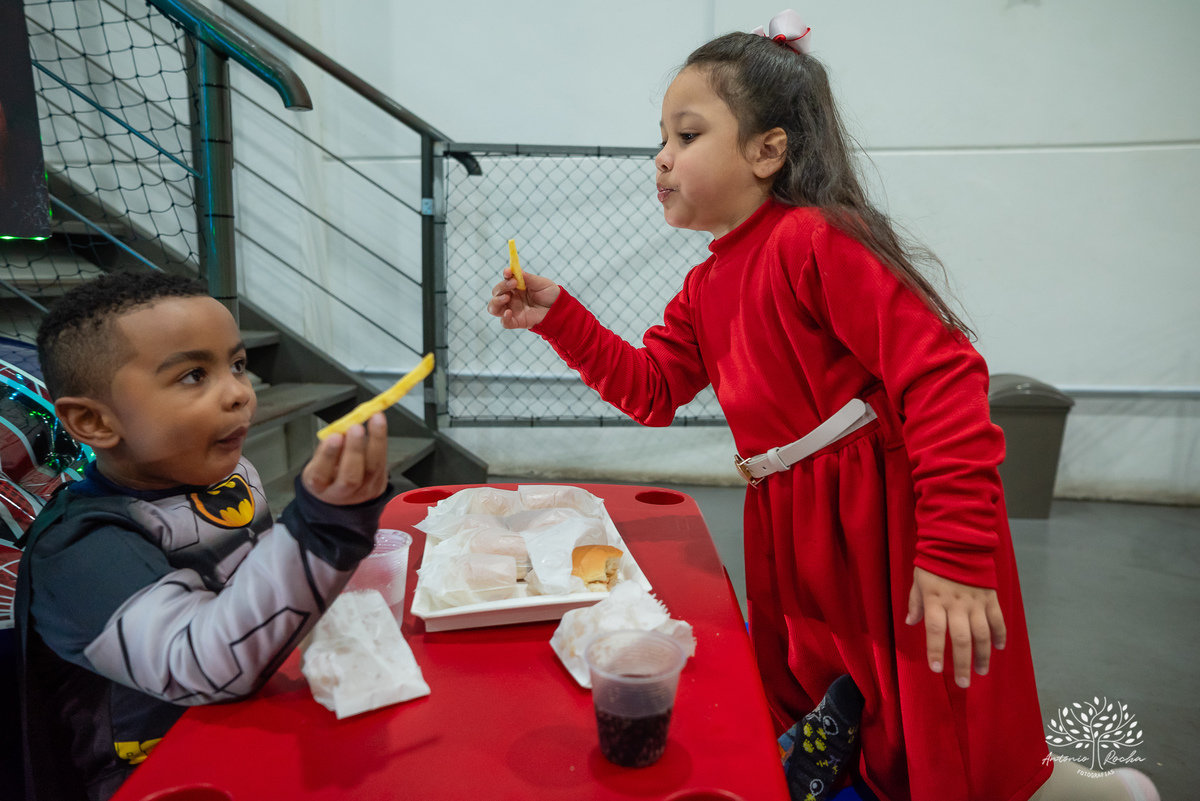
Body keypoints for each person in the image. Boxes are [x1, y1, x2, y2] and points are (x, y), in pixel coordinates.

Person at [487, 11, 1159, 801]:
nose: (661, 157)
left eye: (687, 134)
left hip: (889, 516)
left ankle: (1074, 791)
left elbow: (942, 377)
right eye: (661, 138)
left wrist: (956, 550)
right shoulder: (706, 285)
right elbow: (652, 388)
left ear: (768, 150)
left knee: (935, 713)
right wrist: (560, 317)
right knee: (846, 707)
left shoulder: (817, 239)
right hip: (797, 519)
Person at [15, 271, 393, 801]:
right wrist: (323, 527)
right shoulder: (80, 552)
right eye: (194, 375)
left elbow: (262, 595)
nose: (239, 393)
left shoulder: (230, 480)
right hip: (158, 775)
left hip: (255, 730)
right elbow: (204, 663)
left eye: (237, 365)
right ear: (93, 421)